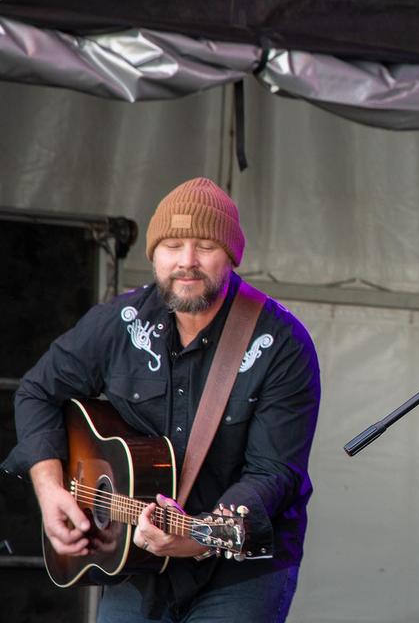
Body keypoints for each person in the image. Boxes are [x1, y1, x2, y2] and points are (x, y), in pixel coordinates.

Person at [2, 177, 322, 622]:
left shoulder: (280, 342)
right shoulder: (120, 321)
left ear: (231, 255)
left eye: (205, 246)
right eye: (172, 245)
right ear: (153, 253)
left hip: (238, 572)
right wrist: (50, 488)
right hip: (135, 563)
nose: (186, 262)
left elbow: (273, 472)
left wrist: (198, 537)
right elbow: (38, 390)